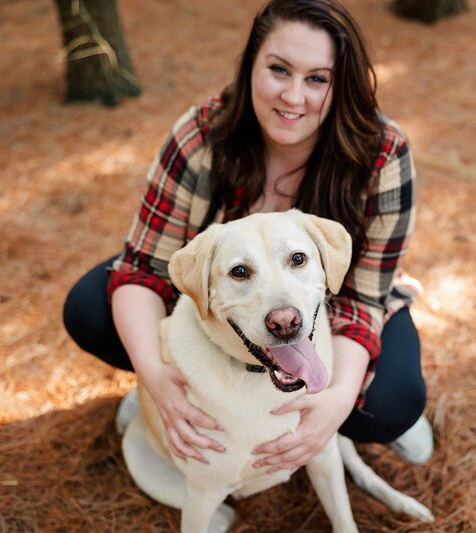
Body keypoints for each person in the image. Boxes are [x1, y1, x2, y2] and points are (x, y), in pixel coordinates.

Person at [63, 0, 433, 470]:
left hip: (336, 305)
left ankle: (333, 414)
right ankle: (177, 398)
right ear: (250, 66)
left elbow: (362, 298)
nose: (293, 97)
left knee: (388, 405)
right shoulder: (202, 134)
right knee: (91, 309)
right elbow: (145, 268)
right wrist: (154, 376)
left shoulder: (382, 154)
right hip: (222, 302)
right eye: (279, 70)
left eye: (317, 78)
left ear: (341, 86)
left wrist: (339, 400)